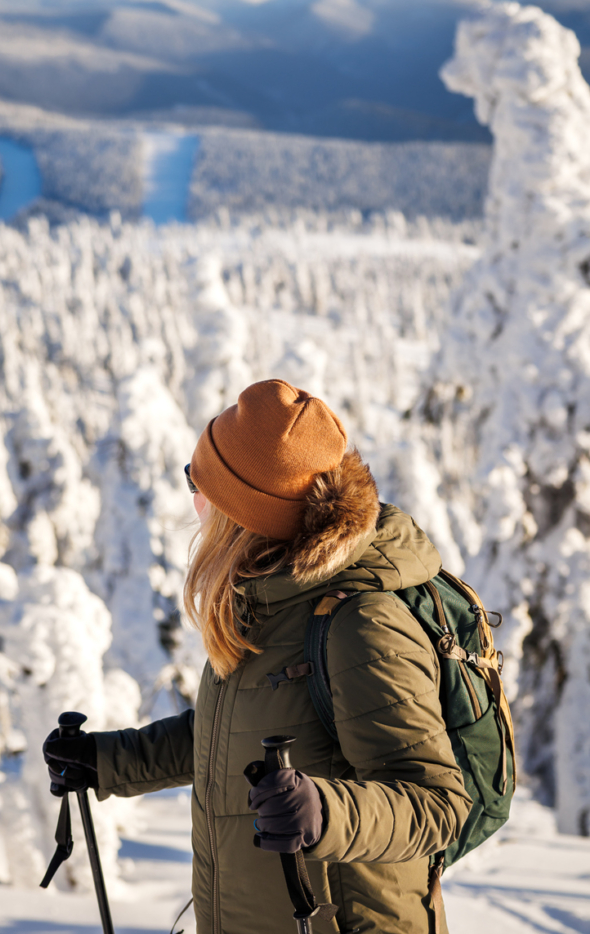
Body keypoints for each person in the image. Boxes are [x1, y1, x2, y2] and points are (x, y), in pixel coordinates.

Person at [43, 379, 472, 934]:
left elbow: (438, 802)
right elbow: (231, 737)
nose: (191, 495)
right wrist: (108, 762)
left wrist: (325, 812)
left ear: (245, 511)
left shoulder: (359, 624)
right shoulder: (269, 602)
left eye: (198, 481)